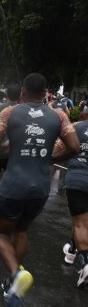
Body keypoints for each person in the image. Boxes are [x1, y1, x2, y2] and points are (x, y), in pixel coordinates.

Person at [0, 73, 79, 307]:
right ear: (46, 92)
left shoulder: (10, 113)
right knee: (22, 229)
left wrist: (12, 146)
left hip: (13, 185)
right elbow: (74, 147)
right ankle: (11, 282)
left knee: (0, 233)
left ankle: (16, 274)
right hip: (40, 188)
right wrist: (52, 157)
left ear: (24, 92)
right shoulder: (59, 115)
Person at [58, 106, 88, 286]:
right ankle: (71, 253)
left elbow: (59, 147)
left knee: (80, 223)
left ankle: (85, 263)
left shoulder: (76, 126)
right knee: (82, 222)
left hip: (76, 179)